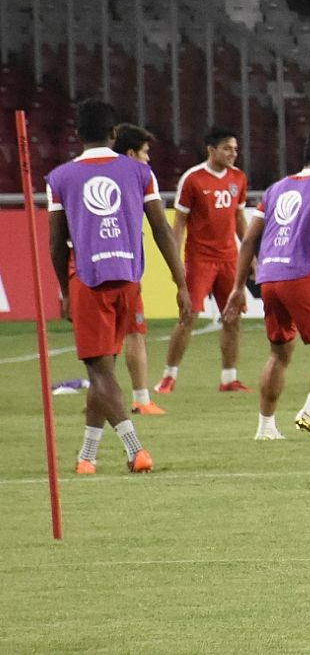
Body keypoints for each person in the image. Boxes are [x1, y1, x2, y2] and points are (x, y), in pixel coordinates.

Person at [46, 99, 190, 474]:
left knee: (100, 372)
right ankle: (87, 457)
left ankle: (135, 448)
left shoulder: (59, 178)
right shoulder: (140, 172)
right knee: (104, 372)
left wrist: (64, 291)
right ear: (114, 134)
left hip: (88, 279)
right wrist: (181, 283)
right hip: (129, 276)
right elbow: (162, 230)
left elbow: (56, 244)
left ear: (77, 135)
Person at [223, 130, 310, 442]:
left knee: (279, 353)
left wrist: (237, 286)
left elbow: (248, 240)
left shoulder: (275, 190)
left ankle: (266, 427)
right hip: (301, 276)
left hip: (269, 277)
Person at [155, 126, 250, 394]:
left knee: (232, 317)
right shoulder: (193, 179)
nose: (233, 153)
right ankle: (168, 377)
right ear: (211, 150)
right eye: (227, 148)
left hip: (229, 258)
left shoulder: (238, 178)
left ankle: (229, 378)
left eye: (235, 148)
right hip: (200, 259)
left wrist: (250, 253)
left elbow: (239, 219)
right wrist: (175, 259)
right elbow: (180, 221)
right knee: (189, 316)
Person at [111, 123, 166, 415]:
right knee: (134, 332)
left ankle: (98, 397)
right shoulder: (140, 175)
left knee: (103, 338)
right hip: (124, 267)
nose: (148, 159)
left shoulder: (87, 173)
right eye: (145, 152)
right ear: (131, 153)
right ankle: (142, 399)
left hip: (90, 267)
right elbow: (160, 226)